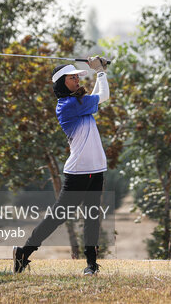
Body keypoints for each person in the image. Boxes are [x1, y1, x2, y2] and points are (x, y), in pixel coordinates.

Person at [13, 56, 110, 275]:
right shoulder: (68, 106)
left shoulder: (79, 102)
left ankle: (91, 265)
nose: (77, 80)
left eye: (77, 77)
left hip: (96, 169)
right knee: (57, 216)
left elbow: (96, 96)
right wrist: (100, 72)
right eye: (72, 77)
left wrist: (99, 70)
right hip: (78, 172)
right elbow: (103, 96)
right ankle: (23, 253)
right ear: (61, 82)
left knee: (92, 216)